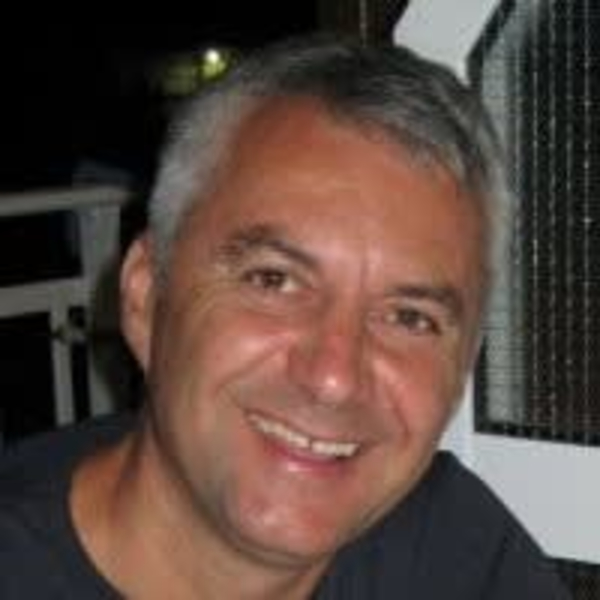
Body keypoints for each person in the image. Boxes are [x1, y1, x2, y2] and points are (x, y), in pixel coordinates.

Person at [0, 34, 570, 599]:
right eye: (274, 280)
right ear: (146, 296)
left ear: (464, 369)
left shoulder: (448, 550)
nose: (333, 378)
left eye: (408, 317)